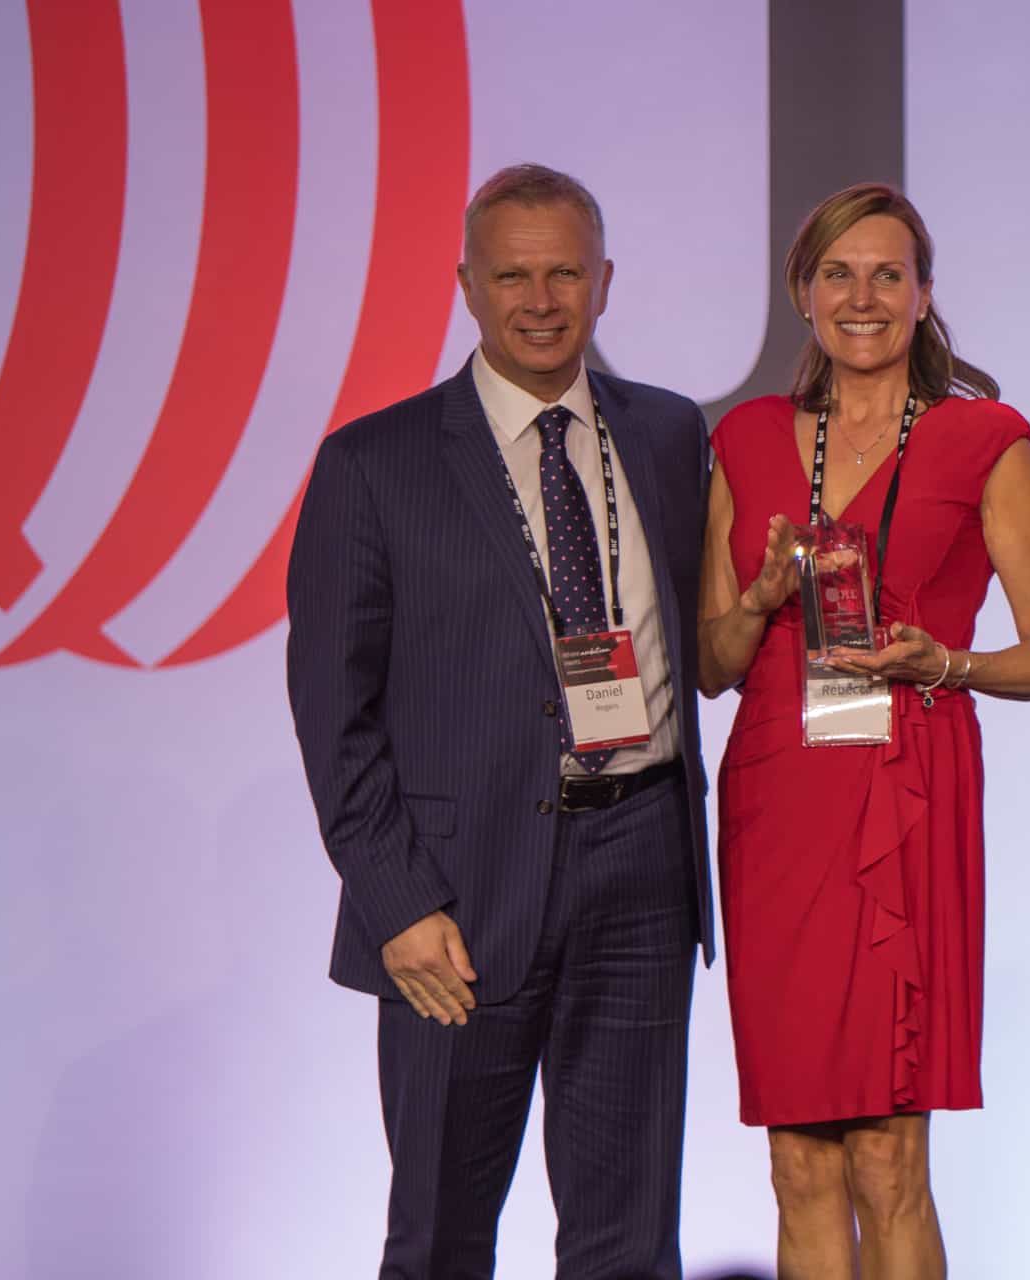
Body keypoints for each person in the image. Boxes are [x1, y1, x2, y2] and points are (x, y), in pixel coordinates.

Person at [286, 163, 712, 1279]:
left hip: (641, 868)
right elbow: (335, 716)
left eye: (564, 270)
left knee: (630, 1242)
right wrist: (398, 903)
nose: (540, 298)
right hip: (457, 901)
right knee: (439, 1236)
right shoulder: (372, 464)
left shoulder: (670, 435)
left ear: (605, 281)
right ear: (467, 286)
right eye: (513, 274)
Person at [698, 182, 1030, 1278]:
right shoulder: (745, 437)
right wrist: (763, 593)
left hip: (905, 794)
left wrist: (947, 663)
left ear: (922, 296)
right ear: (801, 295)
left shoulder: (982, 439)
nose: (861, 296)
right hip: (778, 803)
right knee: (798, 1163)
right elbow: (718, 665)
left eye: (887, 274)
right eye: (837, 274)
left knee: (887, 1154)